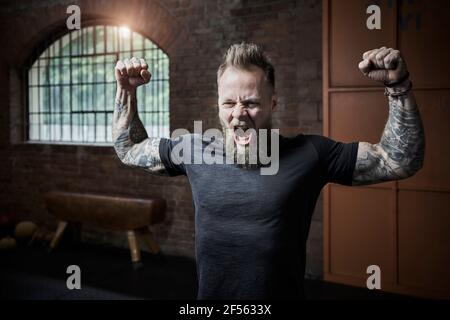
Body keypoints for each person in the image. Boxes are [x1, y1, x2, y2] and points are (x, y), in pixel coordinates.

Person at [112, 43, 424, 299]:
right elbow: (129, 149)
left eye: (251, 103)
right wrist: (126, 91)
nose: (238, 115)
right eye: (228, 103)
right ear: (217, 105)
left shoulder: (310, 154)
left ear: (273, 103)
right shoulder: (193, 149)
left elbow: (398, 160)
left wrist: (398, 86)